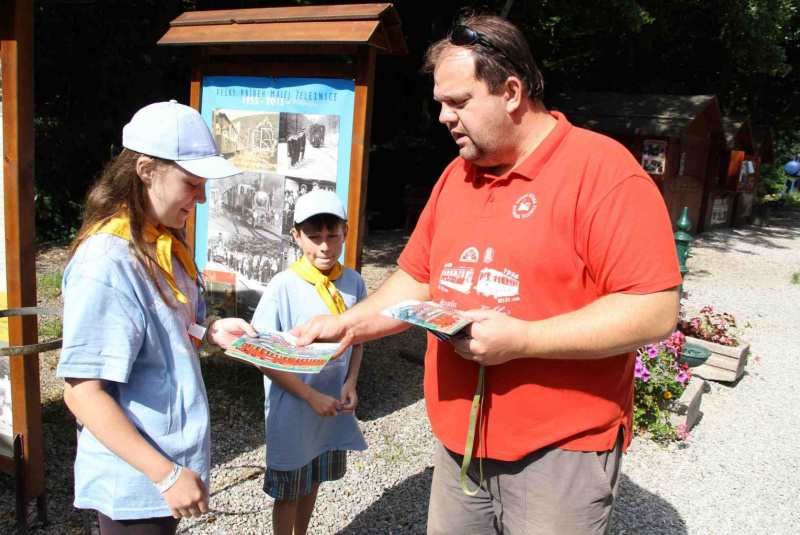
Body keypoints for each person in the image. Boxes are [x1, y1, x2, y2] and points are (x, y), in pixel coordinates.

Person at [291, 14, 683, 535]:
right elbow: (419, 278)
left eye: (458, 102)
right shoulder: (457, 176)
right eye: (440, 103)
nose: (443, 117)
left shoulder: (604, 172)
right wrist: (349, 325)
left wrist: (524, 340)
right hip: (458, 442)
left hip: (559, 450)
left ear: (512, 92)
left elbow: (654, 309)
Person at [57, 100, 257, 534]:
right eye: (191, 183)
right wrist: (166, 475)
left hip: (165, 467)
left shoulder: (162, 240)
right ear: (146, 171)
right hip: (137, 479)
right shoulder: (107, 261)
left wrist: (210, 329)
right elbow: (82, 393)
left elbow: (164, 329)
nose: (202, 197)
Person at [251, 189, 367, 535]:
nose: (325, 247)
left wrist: (351, 382)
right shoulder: (283, 286)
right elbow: (261, 355)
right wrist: (310, 396)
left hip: (331, 410)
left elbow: (358, 339)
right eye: (314, 237)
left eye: (333, 235)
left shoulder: (354, 282)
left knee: (314, 479)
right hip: (293, 411)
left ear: (346, 232)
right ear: (296, 236)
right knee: (288, 491)